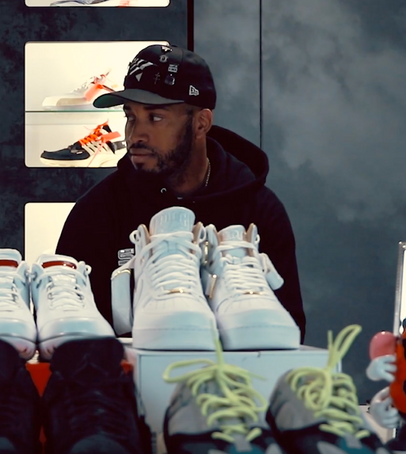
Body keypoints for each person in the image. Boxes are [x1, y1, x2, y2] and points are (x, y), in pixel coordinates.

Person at [56, 43, 306, 340]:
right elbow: (71, 335)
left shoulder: (257, 210)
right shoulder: (98, 210)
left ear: (201, 124)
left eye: (155, 118)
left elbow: (287, 331)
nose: (135, 135)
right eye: (130, 116)